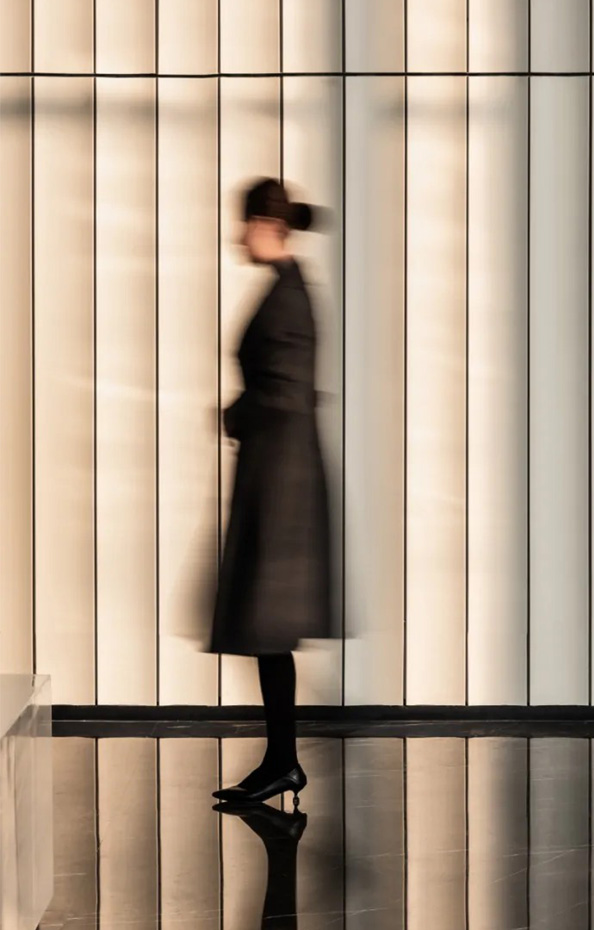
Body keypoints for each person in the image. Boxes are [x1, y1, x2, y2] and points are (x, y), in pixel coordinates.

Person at [210, 177, 333, 806]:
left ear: (266, 224)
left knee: (269, 627)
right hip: (277, 476)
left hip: (281, 486)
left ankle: (282, 761)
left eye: (244, 223)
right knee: (268, 632)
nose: (238, 235)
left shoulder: (288, 296)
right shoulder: (289, 290)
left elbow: (286, 394)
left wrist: (237, 414)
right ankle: (281, 761)